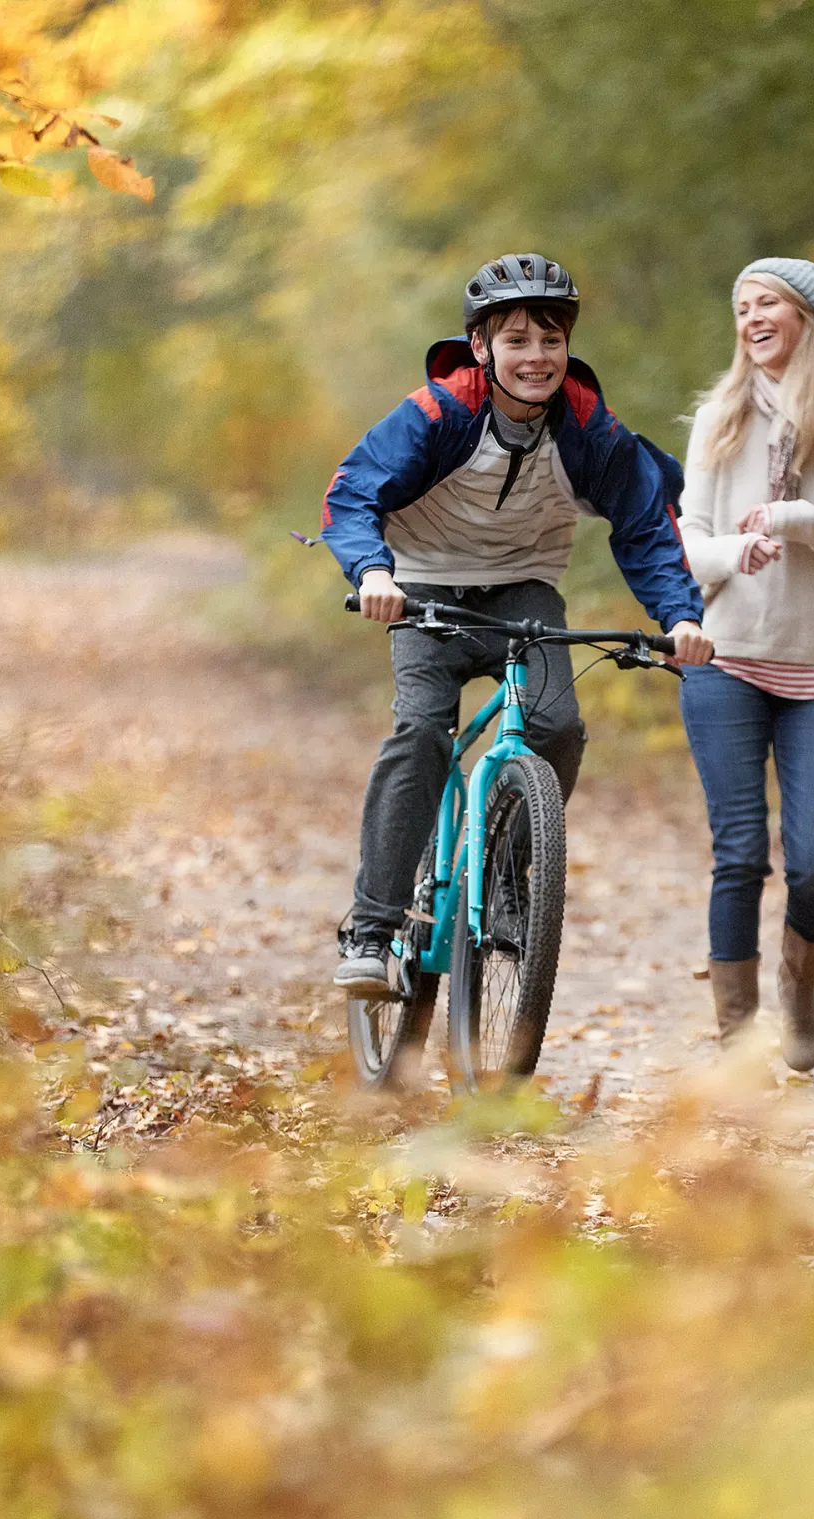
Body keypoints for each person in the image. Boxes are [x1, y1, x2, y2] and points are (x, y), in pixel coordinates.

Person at [323, 253, 713, 997]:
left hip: (523, 594)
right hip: (423, 592)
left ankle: (508, 870)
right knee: (421, 732)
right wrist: (373, 572)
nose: (536, 357)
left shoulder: (587, 427)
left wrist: (681, 616)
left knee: (558, 726)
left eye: (550, 339)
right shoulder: (441, 412)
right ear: (481, 347)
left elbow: (644, 526)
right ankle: (371, 930)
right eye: (516, 341)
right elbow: (353, 492)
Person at [676, 257, 814, 1071]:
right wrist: (741, 548)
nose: (749, 318)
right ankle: (737, 1036)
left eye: (765, 302)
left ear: (806, 314)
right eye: (740, 306)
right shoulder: (719, 417)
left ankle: (799, 980)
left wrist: (803, 520)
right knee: (739, 851)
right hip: (727, 656)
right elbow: (691, 544)